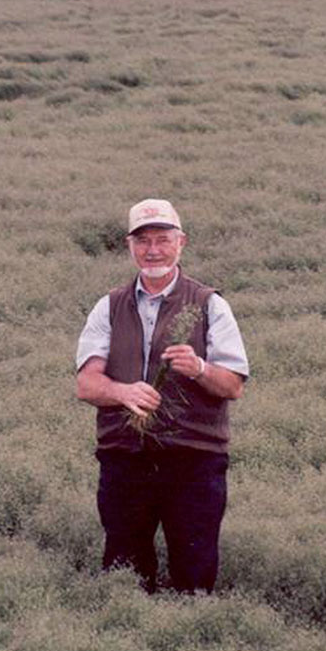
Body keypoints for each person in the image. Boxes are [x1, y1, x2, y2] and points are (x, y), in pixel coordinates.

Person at [76, 198, 249, 593]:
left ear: (181, 243)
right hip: (125, 459)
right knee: (124, 571)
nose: (152, 250)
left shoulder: (209, 305)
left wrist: (200, 368)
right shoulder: (109, 306)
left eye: (162, 239)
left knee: (195, 571)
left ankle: (192, 638)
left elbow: (233, 385)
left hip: (193, 459)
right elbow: (86, 385)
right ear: (130, 246)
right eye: (143, 241)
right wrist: (122, 392)